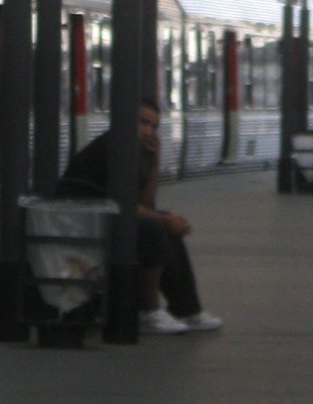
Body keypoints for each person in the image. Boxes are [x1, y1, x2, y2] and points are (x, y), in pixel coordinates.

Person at [58, 96, 222, 336]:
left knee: (161, 225)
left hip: (100, 220)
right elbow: (124, 205)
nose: (148, 131)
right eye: (143, 123)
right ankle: (149, 310)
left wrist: (155, 163)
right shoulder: (111, 149)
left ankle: (187, 309)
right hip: (80, 225)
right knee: (155, 227)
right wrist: (164, 219)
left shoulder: (135, 151)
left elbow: (144, 204)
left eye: (153, 126)